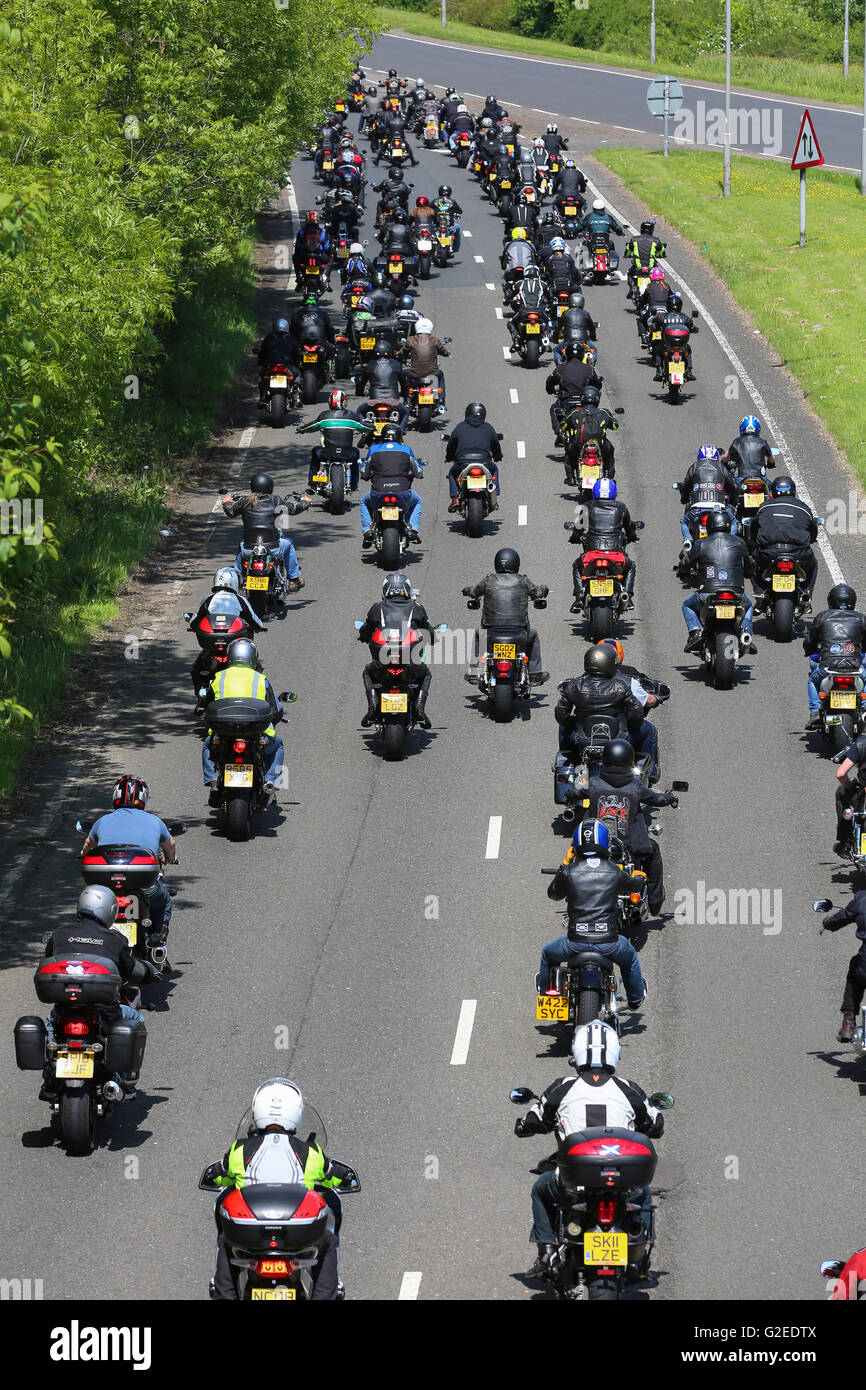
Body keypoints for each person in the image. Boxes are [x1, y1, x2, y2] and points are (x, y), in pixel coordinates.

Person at [514, 1019, 663, 1278]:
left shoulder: (563, 1087)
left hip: (572, 1186)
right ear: (616, 1052)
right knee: (644, 1194)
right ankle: (639, 1259)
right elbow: (655, 1125)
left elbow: (532, 1122)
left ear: (576, 1051)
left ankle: (546, 1251)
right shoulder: (628, 1089)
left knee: (540, 1189)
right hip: (622, 1184)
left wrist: (525, 1125)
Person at [203, 1078, 353, 1301]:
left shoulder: (240, 1150)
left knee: (226, 1241)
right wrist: (346, 1177)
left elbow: (221, 1175)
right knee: (328, 1242)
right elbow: (331, 1177)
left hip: (251, 1234)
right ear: (296, 1113)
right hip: (295, 1234)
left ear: (257, 1110)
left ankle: (224, 1294)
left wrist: (212, 1175)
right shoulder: (310, 1153)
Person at [41, 886, 157, 1099]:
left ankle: (49, 1074)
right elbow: (131, 969)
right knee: (136, 1018)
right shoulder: (114, 939)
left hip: (65, 1011)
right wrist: (150, 971)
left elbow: (47, 960)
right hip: (104, 1014)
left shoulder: (60, 933)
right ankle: (126, 1080)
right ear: (109, 910)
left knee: (49, 1025)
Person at [539, 819, 648, 1005]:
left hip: (575, 942)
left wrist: (565, 862)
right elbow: (634, 885)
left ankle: (548, 1000)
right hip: (609, 943)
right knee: (629, 958)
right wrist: (639, 877)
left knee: (547, 954)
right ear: (606, 842)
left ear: (576, 845)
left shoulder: (570, 871)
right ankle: (635, 998)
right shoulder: (614, 870)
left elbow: (553, 894)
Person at [580, 739, 678, 915]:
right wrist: (670, 798)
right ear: (629, 761)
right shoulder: (635, 787)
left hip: (596, 843)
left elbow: (575, 793)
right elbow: (657, 799)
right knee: (653, 851)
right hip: (632, 846)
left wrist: (570, 794)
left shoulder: (594, 783)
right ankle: (655, 902)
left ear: (606, 760)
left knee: (576, 851)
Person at [80, 775, 177, 946]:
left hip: (107, 887)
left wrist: (83, 854)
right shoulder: (155, 821)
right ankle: (157, 937)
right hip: (145, 886)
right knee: (164, 902)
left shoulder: (102, 821)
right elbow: (170, 844)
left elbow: (88, 845)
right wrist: (171, 858)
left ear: (115, 796)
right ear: (143, 798)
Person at [202, 639, 284, 802]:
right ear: (253, 658)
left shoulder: (219, 677)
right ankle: (270, 781)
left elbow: (207, 705)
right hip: (256, 733)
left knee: (207, 744)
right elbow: (275, 710)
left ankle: (212, 778)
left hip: (223, 733)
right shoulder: (261, 679)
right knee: (278, 746)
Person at [357, 572, 435, 729]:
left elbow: (366, 630)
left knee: (368, 672)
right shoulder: (417, 608)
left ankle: (372, 707)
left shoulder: (377, 608)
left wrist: (363, 637)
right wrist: (432, 639)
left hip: (382, 660)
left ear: (386, 590)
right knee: (425, 673)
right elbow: (429, 632)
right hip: (409, 660)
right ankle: (419, 708)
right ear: (406, 590)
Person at [462, 546, 549, 684]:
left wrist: (467, 590)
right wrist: (544, 589)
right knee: (534, 636)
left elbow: (474, 592)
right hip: (518, 632)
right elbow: (537, 592)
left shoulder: (489, 580)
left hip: (491, 631)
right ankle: (535, 674)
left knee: (478, 635)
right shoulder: (523, 580)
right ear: (516, 563)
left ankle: (475, 671)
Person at [222, 472, 312, 596]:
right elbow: (292, 509)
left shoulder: (245, 501)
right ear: (270, 487)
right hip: (273, 548)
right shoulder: (275, 501)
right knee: (289, 545)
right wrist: (305, 502)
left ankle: (236, 577)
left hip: (249, 549)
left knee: (241, 546)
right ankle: (293, 579)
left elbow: (231, 511)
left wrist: (227, 501)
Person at [555, 642, 644, 763]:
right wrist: (628, 725)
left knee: (563, 727)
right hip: (618, 737)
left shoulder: (574, 685)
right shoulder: (620, 686)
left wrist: (572, 722)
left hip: (582, 738)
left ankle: (569, 761)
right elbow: (637, 713)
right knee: (650, 730)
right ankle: (644, 768)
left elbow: (561, 715)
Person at [682, 512, 755, 654]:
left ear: (709, 526)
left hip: (708, 592)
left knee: (687, 605)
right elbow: (750, 564)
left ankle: (696, 632)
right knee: (749, 606)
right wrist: (748, 572)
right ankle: (747, 633)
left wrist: (683, 571)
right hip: (735, 592)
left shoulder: (701, 543)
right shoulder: (739, 542)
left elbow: (685, 563)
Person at [186, 568, 264, 701]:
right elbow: (256, 622)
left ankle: (201, 695)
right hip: (234, 648)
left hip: (211, 648)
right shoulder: (240, 600)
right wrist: (259, 628)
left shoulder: (209, 599)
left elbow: (194, 621)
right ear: (234, 582)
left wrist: (193, 625)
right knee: (256, 667)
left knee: (196, 669)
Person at [600, 638, 665, 783]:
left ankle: (569, 761)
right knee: (650, 730)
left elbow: (563, 713)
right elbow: (647, 702)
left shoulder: (581, 681)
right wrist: (657, 699)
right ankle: (651, 774)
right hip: (620, 733)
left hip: (588, 734)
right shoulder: (628, 680)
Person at [803, 584, 866, 727]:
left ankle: (815, 712)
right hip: (854, 668)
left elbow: (809, 641)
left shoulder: (822, 616)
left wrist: (809, 650)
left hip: (828, 667)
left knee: (813, 681)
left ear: (831, 600)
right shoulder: (861, 618)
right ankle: (864, 706)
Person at [568, 479, 636, 607]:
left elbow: (578, 528)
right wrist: (632, 536)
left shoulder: (587, 506)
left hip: (591, 555)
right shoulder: (621, 507)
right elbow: (629, 527)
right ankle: (628, 595)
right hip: (616, 556)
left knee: (577, 566)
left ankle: (578, 597)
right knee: (631, 566)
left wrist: (574, 537)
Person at [750, 476, 819, 602]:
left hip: (768, 553)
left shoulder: (764, 507)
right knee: (813, 565)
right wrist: (811, 539)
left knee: (752, 562)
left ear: (773, 491)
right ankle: (807, 592)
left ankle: (759, 592)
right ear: (793, 490)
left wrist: (755, 540)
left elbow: (754, 528)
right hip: (799, 552)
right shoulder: (803, 508)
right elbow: (813, 529)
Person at [358, 423, 424, 545]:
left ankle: (367, 531)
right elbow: (418, 472)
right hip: (403, 492)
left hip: (378, 492)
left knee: (364, 501)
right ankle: (413, 529)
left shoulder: (373, 450)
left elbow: (364, 472)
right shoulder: (406, 450)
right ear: (400, 437)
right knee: (417, 501)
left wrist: (366, 475)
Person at [297, 389, 368, 491]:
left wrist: (301, 429)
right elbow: (364, 427)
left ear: (330, 402)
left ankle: (312, 483)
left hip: (327, 453)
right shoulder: (351, 416)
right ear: (344, 402)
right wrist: (373, 427)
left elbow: (312, 426)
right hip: (347, 453)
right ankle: (353, 484)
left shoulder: (324, 416)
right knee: (356, 452)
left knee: (315, 451)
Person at [820, 893, 866, 1044]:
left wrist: (827, 922)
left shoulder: (862, 900)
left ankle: (848, 1022)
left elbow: (838, 919)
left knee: (855, 967)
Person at [445, 401, 502, 511]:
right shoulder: (488, 427)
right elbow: (496, 444)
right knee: (494, 469)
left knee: (452, 473)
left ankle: (455, 499)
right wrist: (498, 456)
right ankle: (494, 496)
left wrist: (449, 457)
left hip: (462, 463)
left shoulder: (460, 427)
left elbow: (451, 444)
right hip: (484, 462)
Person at [676, 445, 740, 542]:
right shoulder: (721, 467)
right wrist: (734, 501)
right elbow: (732, 486)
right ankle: (729, 541)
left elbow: (685, 486)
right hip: (718, 508)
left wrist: (684, 499)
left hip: (697, 508)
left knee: (684, 522)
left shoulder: (694, 466)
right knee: (734, 522)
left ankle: (687, 541)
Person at [545, 342, 603, 435]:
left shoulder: (561, 368)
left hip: (566, 402)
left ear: (567, 354)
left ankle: (559, 432)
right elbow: (598, 385)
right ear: (581, 354)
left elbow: (550, 382)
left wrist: (550, 390)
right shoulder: (588, 368)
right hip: (584, 401)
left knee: (554, 409)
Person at [558, 385, 617, 469]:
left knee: (569, 451)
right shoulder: (604, 412)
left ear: (582, 398)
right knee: (610, 450)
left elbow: (563, 426)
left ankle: (571, 477)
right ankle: (609, 476)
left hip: (578, 445)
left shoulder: (575, 412)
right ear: (597, 398)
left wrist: (564, 421)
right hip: (600, 444)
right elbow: (614, 426)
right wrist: (612, 420)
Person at [403, 317, 450, 412]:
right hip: (432, 373)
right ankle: (441, 401)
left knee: (404, 374)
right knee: (440, 375)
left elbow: (403, 351)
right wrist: (447, 354)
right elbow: (443, 351)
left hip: (415, 373)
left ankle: (407, 398)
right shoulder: (435, 340)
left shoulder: (411, 340)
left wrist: (398, 355)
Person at [651, 290, 697, 381]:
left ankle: (659, 370)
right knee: (688, 349)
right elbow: (691, 326)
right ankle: (689, 371)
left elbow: (655, 326)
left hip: (666, 345)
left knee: (658, 350)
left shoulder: (662, 317)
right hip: (681, 346)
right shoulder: (684, 317)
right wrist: (694, 329)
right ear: (680, 306)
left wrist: (654, 328)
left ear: (668, 305)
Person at [257, 318, 299, 403]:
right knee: (298, 376)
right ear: (287, 328)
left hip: (270, 365)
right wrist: (296, 364)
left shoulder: (269, 337)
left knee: (261, 377)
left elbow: (262, 353)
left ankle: (262, 396)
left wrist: (261, 364)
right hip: (287, 365)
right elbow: (296, 353)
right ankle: (295, 393)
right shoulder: (291, 338)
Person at [622, 219, 666, 299]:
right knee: (658, 274)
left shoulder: (634, 239)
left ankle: (631, 287)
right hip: (651, 266)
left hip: (638, 267)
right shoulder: (656, 240)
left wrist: (626, 255)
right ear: (652, 230)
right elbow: (662, 250)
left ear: (641, 229)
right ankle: (658, 289)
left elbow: (628, 249)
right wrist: (661, 255)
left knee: (630, 273)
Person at [724, 414, 776, 480]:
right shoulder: (763, 442)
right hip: (760, 478)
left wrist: (723, 463)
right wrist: (771, 464)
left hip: (741, 478)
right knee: (771, 487)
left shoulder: (736, 442)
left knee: (729, 486)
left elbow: (726, 457)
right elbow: (772, 458)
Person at [552, 291, 597, 364]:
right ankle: (592, 364)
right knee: (594, 350)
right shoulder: (586, 314)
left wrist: (555, 335)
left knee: (556, 350)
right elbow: (591, 328)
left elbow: (558, 327)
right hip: (583, 341)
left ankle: (559, 365)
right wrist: (593, 336)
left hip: (568, 341)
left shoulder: (565, 313)